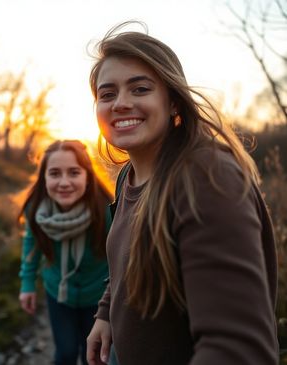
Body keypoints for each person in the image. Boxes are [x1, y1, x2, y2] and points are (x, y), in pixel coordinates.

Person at [86, 21, 279, 365]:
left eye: (140, 89)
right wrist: (105, 314)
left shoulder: (204, 178)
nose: (120, 103)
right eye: (107, 94)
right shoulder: (129, 175)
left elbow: (237, 350)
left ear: (173, 101)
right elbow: (128, 261)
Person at [18, 139, 113, 365]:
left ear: (88, 176)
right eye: (54, 173)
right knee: (66, 353)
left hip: (98, 298)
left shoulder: (106, 210)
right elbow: (32, 246)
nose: (64, 182)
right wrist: (27, 284)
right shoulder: (37, 210)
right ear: (44, 178)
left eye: (73, 173)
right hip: (58, 295)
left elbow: (122, 258)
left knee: (94, 357)